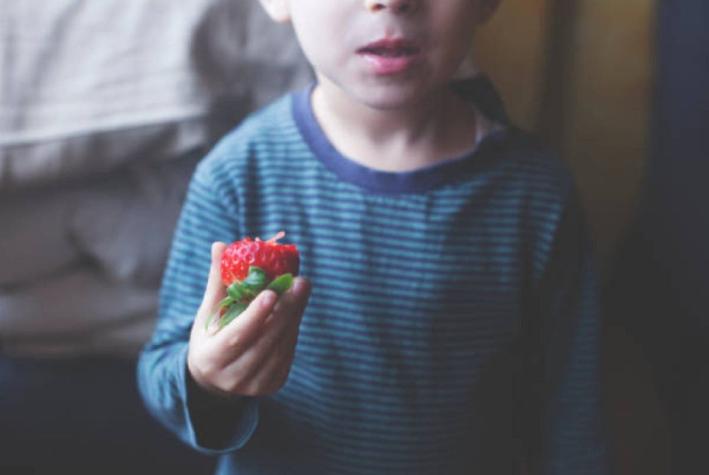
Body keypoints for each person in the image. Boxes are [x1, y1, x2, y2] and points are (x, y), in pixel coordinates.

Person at [137, 0, 610, 473]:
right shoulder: (239, 177)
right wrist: (207, 378)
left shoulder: (536, 195)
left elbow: (574, 410)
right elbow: (164, 372)